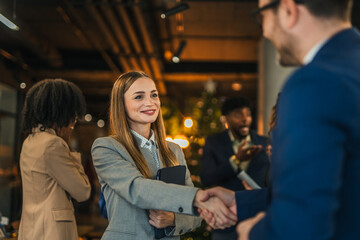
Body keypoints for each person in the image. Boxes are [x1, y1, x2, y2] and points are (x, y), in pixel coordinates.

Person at [205, 0, 360, 240]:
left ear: (288, 10)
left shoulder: (313, 83)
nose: (264, 31)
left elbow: (301, 225)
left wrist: (252, 233)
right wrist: (243, 202)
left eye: (261, 16)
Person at [91, 71, 237, 240]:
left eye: (154, 95)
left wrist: (174, 219)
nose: (150, 102)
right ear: (121, 104)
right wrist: (197, 197)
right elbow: (136, 188)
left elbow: (196, 215)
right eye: (139, 97)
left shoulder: (174, 150)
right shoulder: (107, 147)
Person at [18, 79, 91, 240]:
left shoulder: (30, 141)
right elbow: (82, 191)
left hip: (33, 228)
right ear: (61, 111)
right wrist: (68, 145)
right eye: (73, 112)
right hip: (52, 231)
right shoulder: (54, 144)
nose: (75, 118)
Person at [200, 97, 270, 239]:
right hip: (226, 222)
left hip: (259, 220)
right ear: (226, 118)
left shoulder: (264, 143)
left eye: (248, 114)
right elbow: (206, 178)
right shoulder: (214, 142)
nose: (245, 119)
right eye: (239, 114)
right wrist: (236, 160)